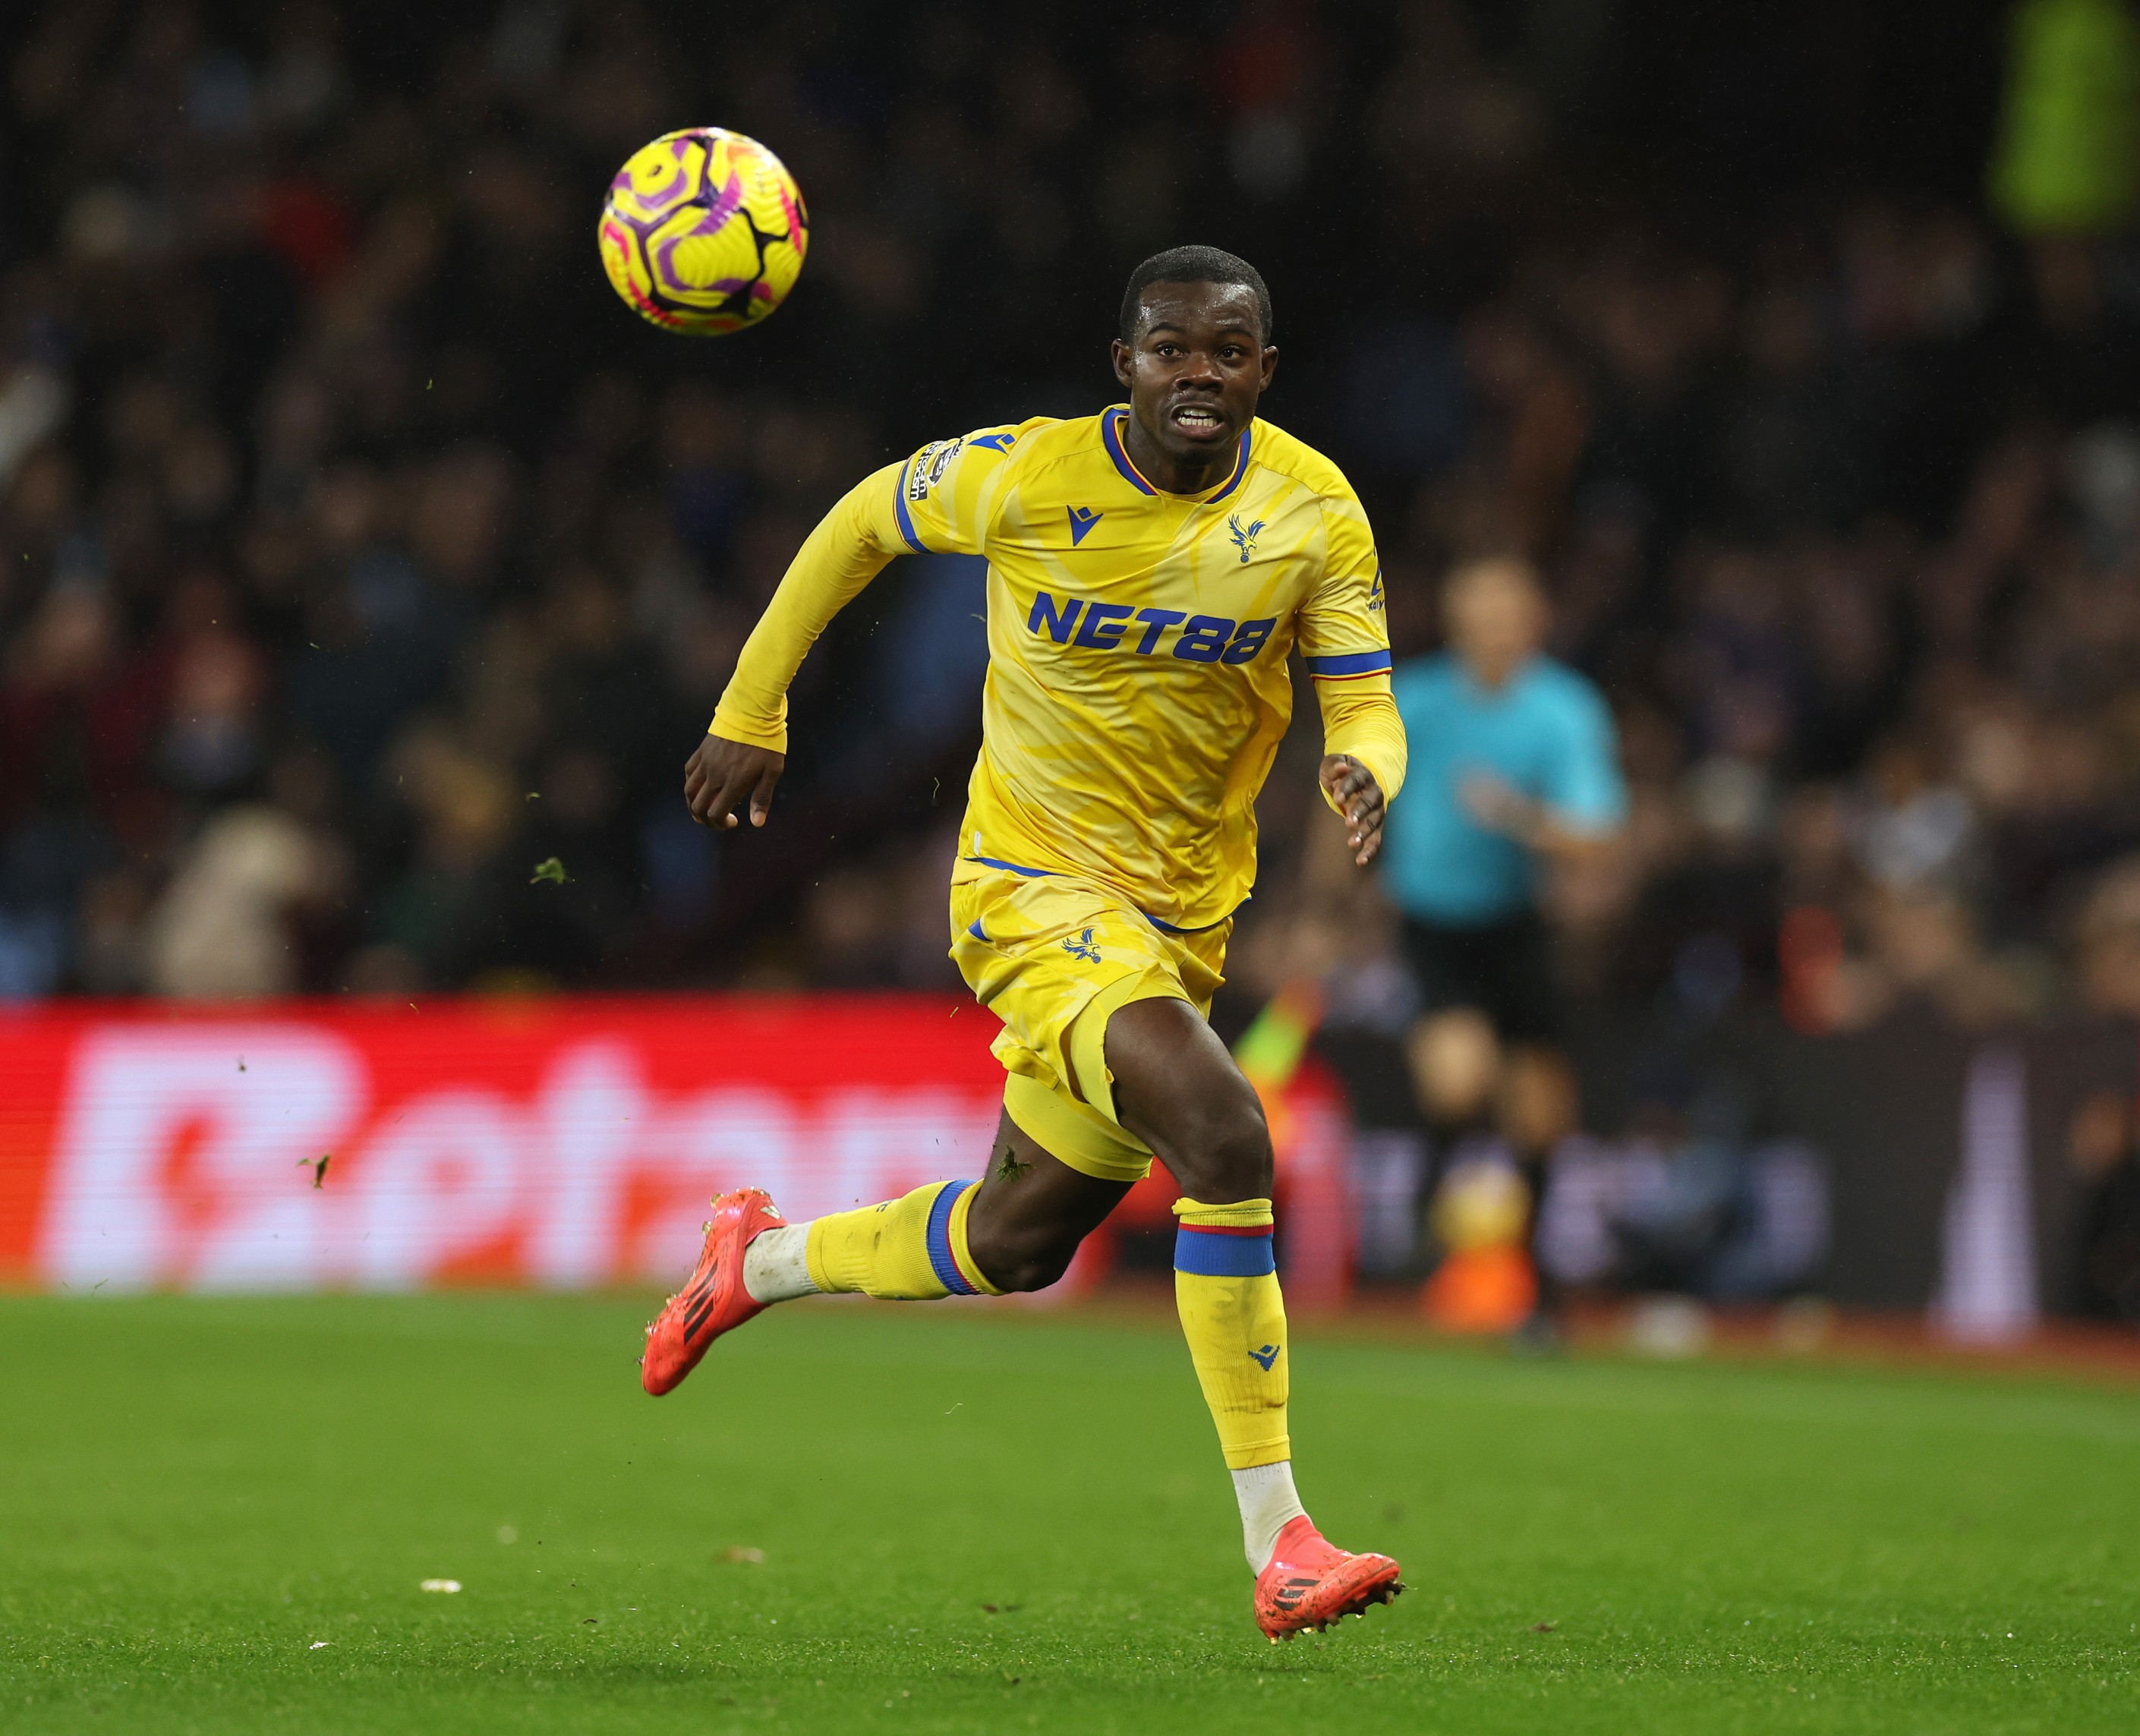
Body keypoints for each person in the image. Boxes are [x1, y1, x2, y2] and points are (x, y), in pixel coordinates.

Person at [644, 246, 1408, 1641]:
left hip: (1181, 916)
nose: (1196, 375)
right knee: (1227, 1136)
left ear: (1262, 372)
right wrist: (753, 704)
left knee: (1013, 1240)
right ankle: (1280, 1537)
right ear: (1122, 361)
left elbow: (1357, 695)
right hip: (1028, 890)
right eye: (1169, 348)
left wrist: (1366, 768)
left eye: (1225, 353)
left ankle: (749, 1264)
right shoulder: (1023, 472)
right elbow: (856, 525)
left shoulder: (1313, 512)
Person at [1379, 557, 1625, 1330]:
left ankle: (1537, 1283)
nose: (1490, 633)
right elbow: (1352, 789)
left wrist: (1517, 816)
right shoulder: (1415, 701)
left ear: (1531, 624)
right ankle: (1430, 1185)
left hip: (1517, 925)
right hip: (1430, 921)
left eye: (1505, 617)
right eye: (1476, 617)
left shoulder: (1562, 711)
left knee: (1539, 1116)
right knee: (1458, 1080)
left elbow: (1595, 837)